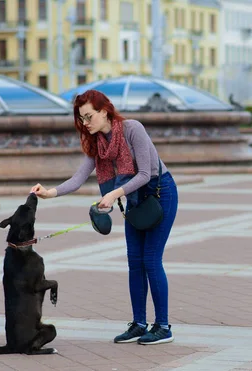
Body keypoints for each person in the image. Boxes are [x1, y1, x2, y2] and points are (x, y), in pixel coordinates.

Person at [30, 89, 178, 345]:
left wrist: (112, 195)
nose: (85, 124)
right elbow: (78, 179)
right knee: (135, 261)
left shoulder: (133, 129)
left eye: (89, 117)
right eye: (81, 119)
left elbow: (144, 174)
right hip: (133, 200)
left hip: (159, 192)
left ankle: (163, 326)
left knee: (151, 260)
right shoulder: (96, 143)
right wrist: (49, 193)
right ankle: (139, 323)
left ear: (104, 111)